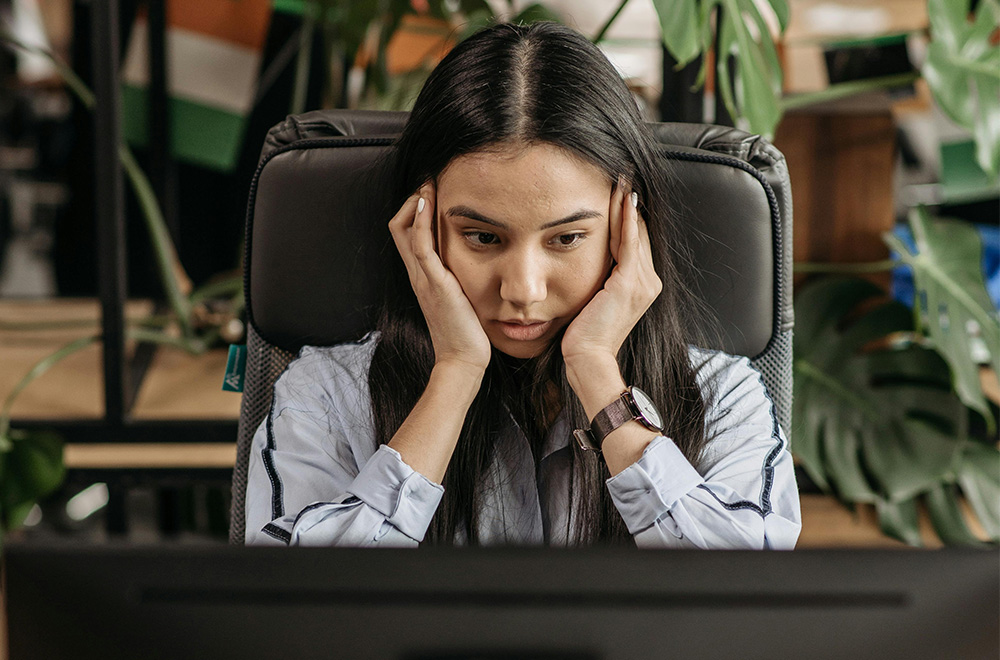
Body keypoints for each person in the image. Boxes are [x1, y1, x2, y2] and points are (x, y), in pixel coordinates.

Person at [245, 21, 800, 549]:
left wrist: (600, 377)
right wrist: (455, 374)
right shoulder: (324, 397)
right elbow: (300, 615)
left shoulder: (721, 397)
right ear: (421, 221)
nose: (523, 290)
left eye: (565, 239)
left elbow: (747, 608)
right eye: (483, 238)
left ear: (629, 229)